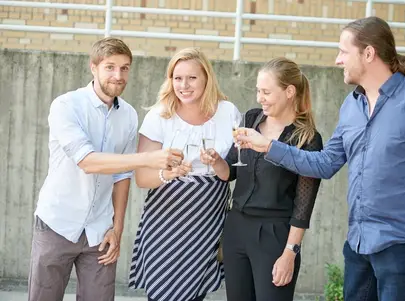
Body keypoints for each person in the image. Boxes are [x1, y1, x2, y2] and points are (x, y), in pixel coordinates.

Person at [236, 16, 405, 301]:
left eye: (343, 51)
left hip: (402, 245)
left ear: (369, 53)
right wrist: (269, 147)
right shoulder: (351, 105)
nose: (338, 60)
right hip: (358, 244)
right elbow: (324, 163)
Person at [28, 37, 183, 301]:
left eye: (124, 68)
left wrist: (117, 227)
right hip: (57, 223)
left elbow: (121, 175)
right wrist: (147, 159)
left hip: (100, 231)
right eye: (110, 67)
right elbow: (88, 161)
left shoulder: (130, 115)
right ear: (94, 67)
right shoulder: (66, 106)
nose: (118, 75)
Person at [200, 57, 323, 301]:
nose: (260, 98)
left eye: (266, 92)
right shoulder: (251, 119)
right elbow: (230, 172)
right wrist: (216, 161)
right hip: (236, 229)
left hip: (275, 236)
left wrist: (290, 253)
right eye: (258, 91)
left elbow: (303, 207)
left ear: (289, 91)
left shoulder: (307, 139)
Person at [128, 48, 239, 301]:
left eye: (192, 78)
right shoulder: (159, 115)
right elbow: (142, 178)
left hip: (208, 215)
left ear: (206, 78)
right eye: (177, 78)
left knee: (195, 290)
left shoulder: (228, 112)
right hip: (167, 214)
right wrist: (170, 173)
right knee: (163, 289)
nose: (184, 85)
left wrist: (219, 162)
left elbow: (232, 171)